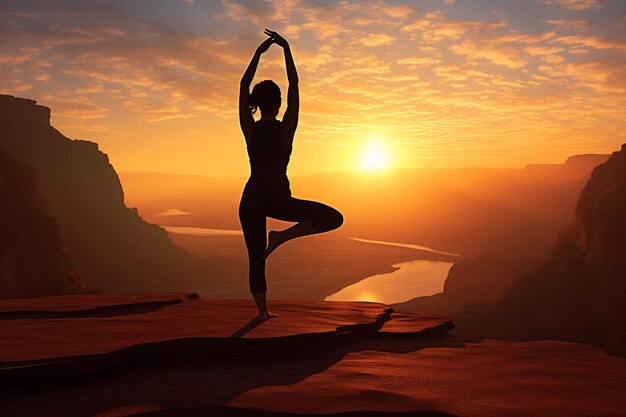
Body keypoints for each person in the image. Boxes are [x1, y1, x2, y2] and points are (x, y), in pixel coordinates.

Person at [239, 30, 343, 321]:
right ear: (279, 104)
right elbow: (295, 83)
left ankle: (262, 313)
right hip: (279, 200)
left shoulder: (250, 128)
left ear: (257, 104)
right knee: (333, 218)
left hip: (252, 199)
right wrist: (286, 49)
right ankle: (282, 237)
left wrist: (258, 54)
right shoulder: (286, 130)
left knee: (256, 258)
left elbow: (243, 84)